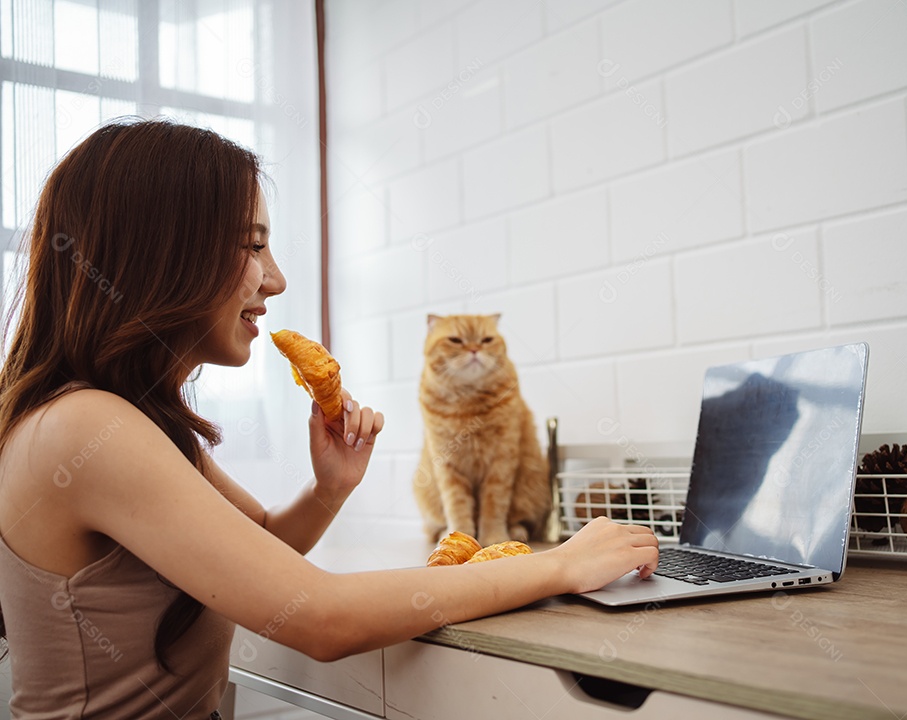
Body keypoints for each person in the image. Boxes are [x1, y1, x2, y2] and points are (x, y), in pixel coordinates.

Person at [0, 119, 659, 718]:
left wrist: (328, 490)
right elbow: (321, 619)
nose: (277, 279)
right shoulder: (83, 429)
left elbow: (263, 552)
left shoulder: (128, 421)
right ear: (158, 253)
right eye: (252, 246)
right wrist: (561, 565)